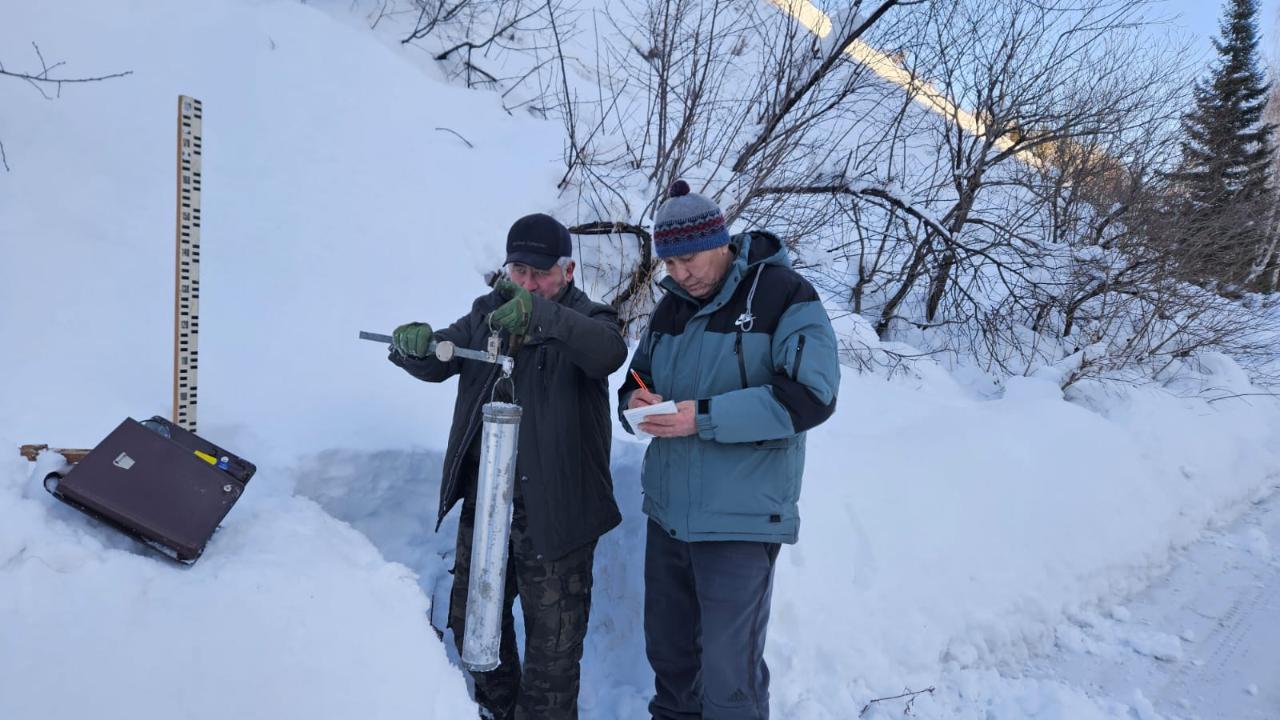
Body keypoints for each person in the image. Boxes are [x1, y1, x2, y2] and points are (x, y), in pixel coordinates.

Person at [389, 212, 626, 720]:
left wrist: (538, 316)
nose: (527, 284)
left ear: (567, 270)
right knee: (472, 624)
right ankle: (500, 710)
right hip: (490, 506)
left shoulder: (593, 319)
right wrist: (414, 347)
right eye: (518, 271)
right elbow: (442, 357)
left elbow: (607, 354)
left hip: (559, 515)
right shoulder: (487, 312)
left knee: (554, 652)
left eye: (540, 273)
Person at [618, 181, 841, 720]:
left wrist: (703, 417)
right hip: (670, 516)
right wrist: (636, 399)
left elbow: (813, 396)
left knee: (728, 679)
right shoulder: (670, 309)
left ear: (720, 241)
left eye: (689, 259)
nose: (680, 273)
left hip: (740, 521)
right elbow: (637, 376)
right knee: (671, 663)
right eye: (669, 264)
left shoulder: (783, 294)